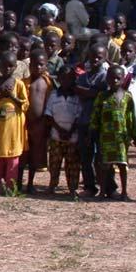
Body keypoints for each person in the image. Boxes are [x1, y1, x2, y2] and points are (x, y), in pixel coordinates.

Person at [90, 65, 136, 201]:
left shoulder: (127, 97)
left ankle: (124, 192)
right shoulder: (102, 96)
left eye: (118, 78)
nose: (115, 81)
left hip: (121, 138)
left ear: (123, 79)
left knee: (123, 165)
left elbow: (131, 117)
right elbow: (95, 115)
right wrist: (93, 131)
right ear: (107, 79)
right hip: (106, 137)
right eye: (112, 78)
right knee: (105, 166)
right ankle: (102, 191)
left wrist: (135, 135)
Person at [0, 51, 28, 194]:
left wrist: (12, 97)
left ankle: (10, 188)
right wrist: (1, 96)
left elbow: (25, 105)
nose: (7, 69)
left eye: (10, 66)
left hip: (13, 131)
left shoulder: (19, 85)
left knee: (12, 160)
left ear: (15, 67)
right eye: (4, 66)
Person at [75, 43, 109, 196]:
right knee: (85, 156)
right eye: (93, 56)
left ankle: (107, 187)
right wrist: (91, 92)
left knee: (102, 158)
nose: (95, 59)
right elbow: (84, 92)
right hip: (84, 121)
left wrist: (88, 92)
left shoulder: (106, 77)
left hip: (100, 123)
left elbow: (97, 94)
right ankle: (89, 186)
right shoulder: (83, 76)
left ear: (105, 58)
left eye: (99, 57)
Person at [45, 66, 82, 198]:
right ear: (59, 79)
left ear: (74, 79)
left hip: (73, 137)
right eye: (63, 78)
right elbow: (49, 115)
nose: (66, 81)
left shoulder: (77, 97)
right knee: (54, 162)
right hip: (56, 135)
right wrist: (59, 130)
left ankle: (72, 188)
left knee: (73, 164)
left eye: (69, 78)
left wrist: (70, 131)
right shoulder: (54, 95)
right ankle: (52, 184)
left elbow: (79, 116)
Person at [21, 49, 52, 194]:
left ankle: (31, 183)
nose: (38, 68)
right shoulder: (23, 82)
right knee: (22, 155)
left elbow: (50, 103)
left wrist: (46, 123)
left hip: (40, 125)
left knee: (35, 155)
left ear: (46, 65)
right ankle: (18, 181)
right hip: (24, 124)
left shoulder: (48, 83)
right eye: (35, 65)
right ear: (29, 65)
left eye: (41, 65)